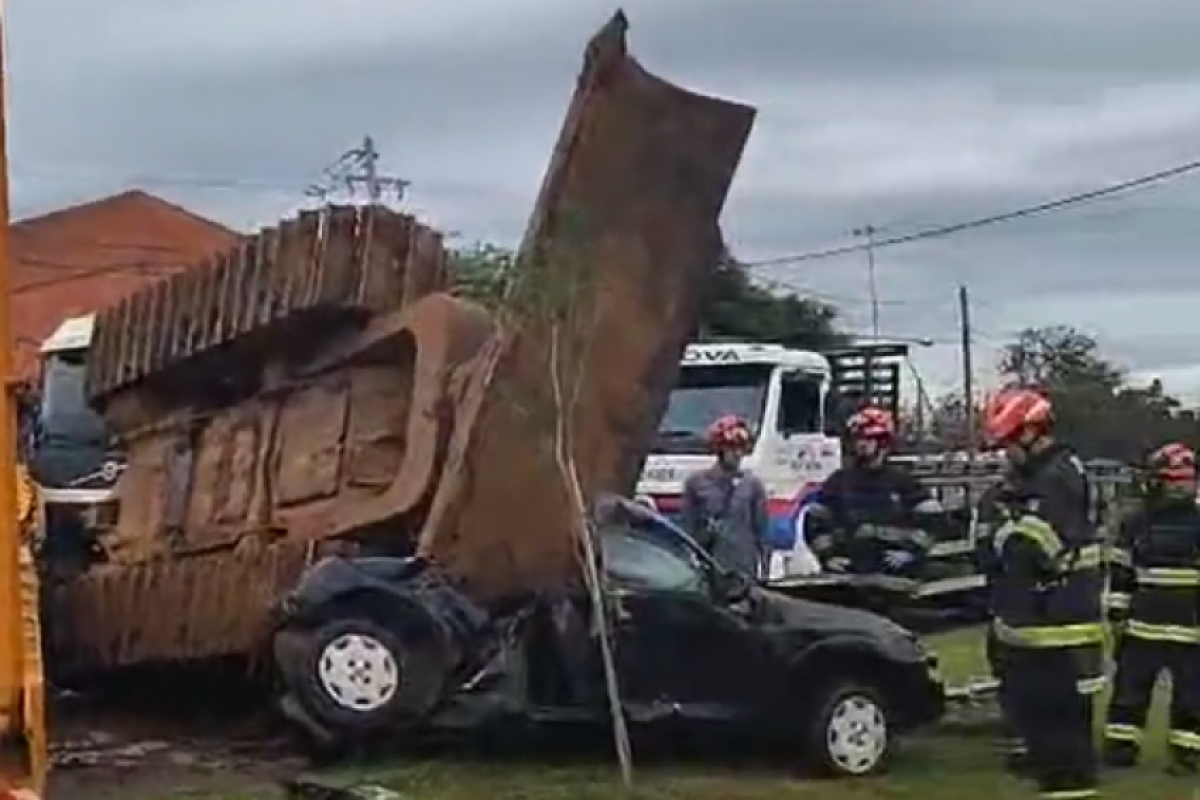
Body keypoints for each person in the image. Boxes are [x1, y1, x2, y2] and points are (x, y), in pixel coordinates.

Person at [982, 387, 1105, 800]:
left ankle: (1070, 785)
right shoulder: (1033, 476)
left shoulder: (1059, 476)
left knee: (1061, 725)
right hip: (1034, 619)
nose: (1006, 454)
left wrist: (1002, 533)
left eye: (1009, 443)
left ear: (1032, 432)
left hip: (1060, 620)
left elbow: (1035, 546)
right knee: (1038, 720)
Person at [1102, 442, 1200, 776]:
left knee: (1192, 697)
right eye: (1174, 479)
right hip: (1142, 625)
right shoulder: (1136, 522)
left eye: (1186, 479)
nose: (1181, 486)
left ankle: (1187, 754)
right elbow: (1121, 571)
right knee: (1129, 693)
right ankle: (1120, 748)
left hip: (1192, 627)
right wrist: (1117, 615)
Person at [807, 405, 941, 577]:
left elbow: (932, 521)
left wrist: (912, 552)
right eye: (857, 439)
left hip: (895, 575)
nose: (860, 444)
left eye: (868, 439)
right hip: (849, 574)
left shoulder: (903, 482)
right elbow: (815, 523)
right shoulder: (838, 481)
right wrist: (828, 557)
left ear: (883, 443)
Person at [679, 414, 770, 579]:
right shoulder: (696, 483)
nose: (737, 454)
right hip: (710, 566)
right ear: (720, 450)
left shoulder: (752, 484)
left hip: (744, 569)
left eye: (741, 448)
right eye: (732, 448)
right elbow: (688, 528)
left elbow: (762, 531)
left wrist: (764, 568)